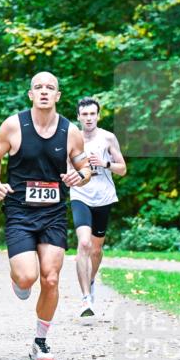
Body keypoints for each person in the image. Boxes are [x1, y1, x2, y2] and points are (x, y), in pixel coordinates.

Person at [0, 72, 90, 360]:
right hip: (19, 211)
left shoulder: (70, 131)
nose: (44, 92)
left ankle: (40, 342)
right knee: (27, 276)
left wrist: (78, 177)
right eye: (38, 87)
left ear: (57, 96)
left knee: (52, 278)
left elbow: (85, 167)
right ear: (31, 94)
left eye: (50, 88)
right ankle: (19, 280)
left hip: (54, 213)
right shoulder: (14, 126)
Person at [70, 97, 126, 316]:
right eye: (84, 115)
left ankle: (91, 280)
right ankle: (85, 300)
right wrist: (78, 173)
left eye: (92, 114)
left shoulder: (108, 137)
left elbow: (122, 169)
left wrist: (105, 164)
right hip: (80, 195)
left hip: (103, 198)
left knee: (96, 249)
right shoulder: (72, 138)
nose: (89, 118)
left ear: (98, 115)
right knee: (83, 243)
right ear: (78, 117)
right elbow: (66, 166)